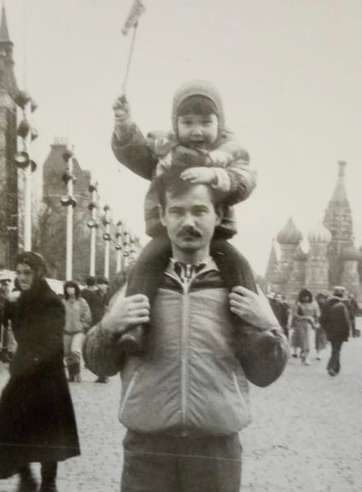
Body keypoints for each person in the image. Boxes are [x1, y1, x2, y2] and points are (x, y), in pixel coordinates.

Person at [84, 163, 289, 492]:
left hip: (215, 453)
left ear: (218, 216)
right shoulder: (137, 284)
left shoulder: (240, 289)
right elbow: (98, 363)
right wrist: (109, 327)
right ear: (163, 217)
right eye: (178, 211)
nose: (188, 221)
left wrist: (270, 325)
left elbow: (266, 374)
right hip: (148, 451)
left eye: (200, 210)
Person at [111, 80, 272, 358]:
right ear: (175, 124)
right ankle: (135, 328)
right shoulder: (164, 149)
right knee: (144, 267)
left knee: (240, 268)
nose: (196, 131)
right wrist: (124, 125)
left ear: (219, 123)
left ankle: (249, 331)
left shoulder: (229, 152)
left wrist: (216, 176)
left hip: (215, 233)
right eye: (187, 122)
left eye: (205, 122)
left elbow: (245, 179)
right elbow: (134, 153)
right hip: (166, 230)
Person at [0, 252, 81, 492]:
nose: (21, 277)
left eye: (27, 273)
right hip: (24, 373)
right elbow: (8, 326)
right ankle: (26, 480)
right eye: (19, 272)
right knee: (8, 425)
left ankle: (49, 489)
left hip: (46, 377)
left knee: (46, 432)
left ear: (38, 273)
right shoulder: (21, 300)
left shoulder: (51, 302)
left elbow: (50, 343)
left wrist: (31, 363)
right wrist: (9, 306)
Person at [82, 276, 111, 383]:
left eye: (105, 284)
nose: (103, 286)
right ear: (97, 285)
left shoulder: (110, 295)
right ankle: (100, 374)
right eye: (101, 284)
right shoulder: (93, 295)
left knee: (105, 349)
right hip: (94, 324)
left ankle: (103, 375)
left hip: (108, 324)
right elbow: (87, 308)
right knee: (96, 348)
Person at [62, 281, 92, 383]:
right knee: (67, 354)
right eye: (68, 288)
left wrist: (83, 326)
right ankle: (71, 375)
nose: (70, 290)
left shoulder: (82, 302)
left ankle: (78, 374)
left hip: (78, 332)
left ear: (76, 289)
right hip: (66, 331)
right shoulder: (63, 302)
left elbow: (87, 316)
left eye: (72, 287)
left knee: (75, 351)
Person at [319, 287, 354, 376]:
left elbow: (322, 319)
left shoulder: (327, 304)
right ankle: (331, 367)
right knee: (337, 349)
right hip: (341, 331)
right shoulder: (345, 304)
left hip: (331, 331)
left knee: (335, 349)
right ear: (343, 294)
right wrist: (350, 330)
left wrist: (327, 328)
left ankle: (336, 368)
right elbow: (349, 318)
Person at [290, 288, 319, 364]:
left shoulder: (314, 304)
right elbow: (295, 315)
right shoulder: (298, 304)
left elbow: (317, 315)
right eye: (304, 296)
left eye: (307, 296)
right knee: (303, 341)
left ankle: (307, 356)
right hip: (301, 324)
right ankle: (304, 353)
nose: (306, 298)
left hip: (310, 325)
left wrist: (316, 323)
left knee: (309, 341)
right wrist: (306, 317)